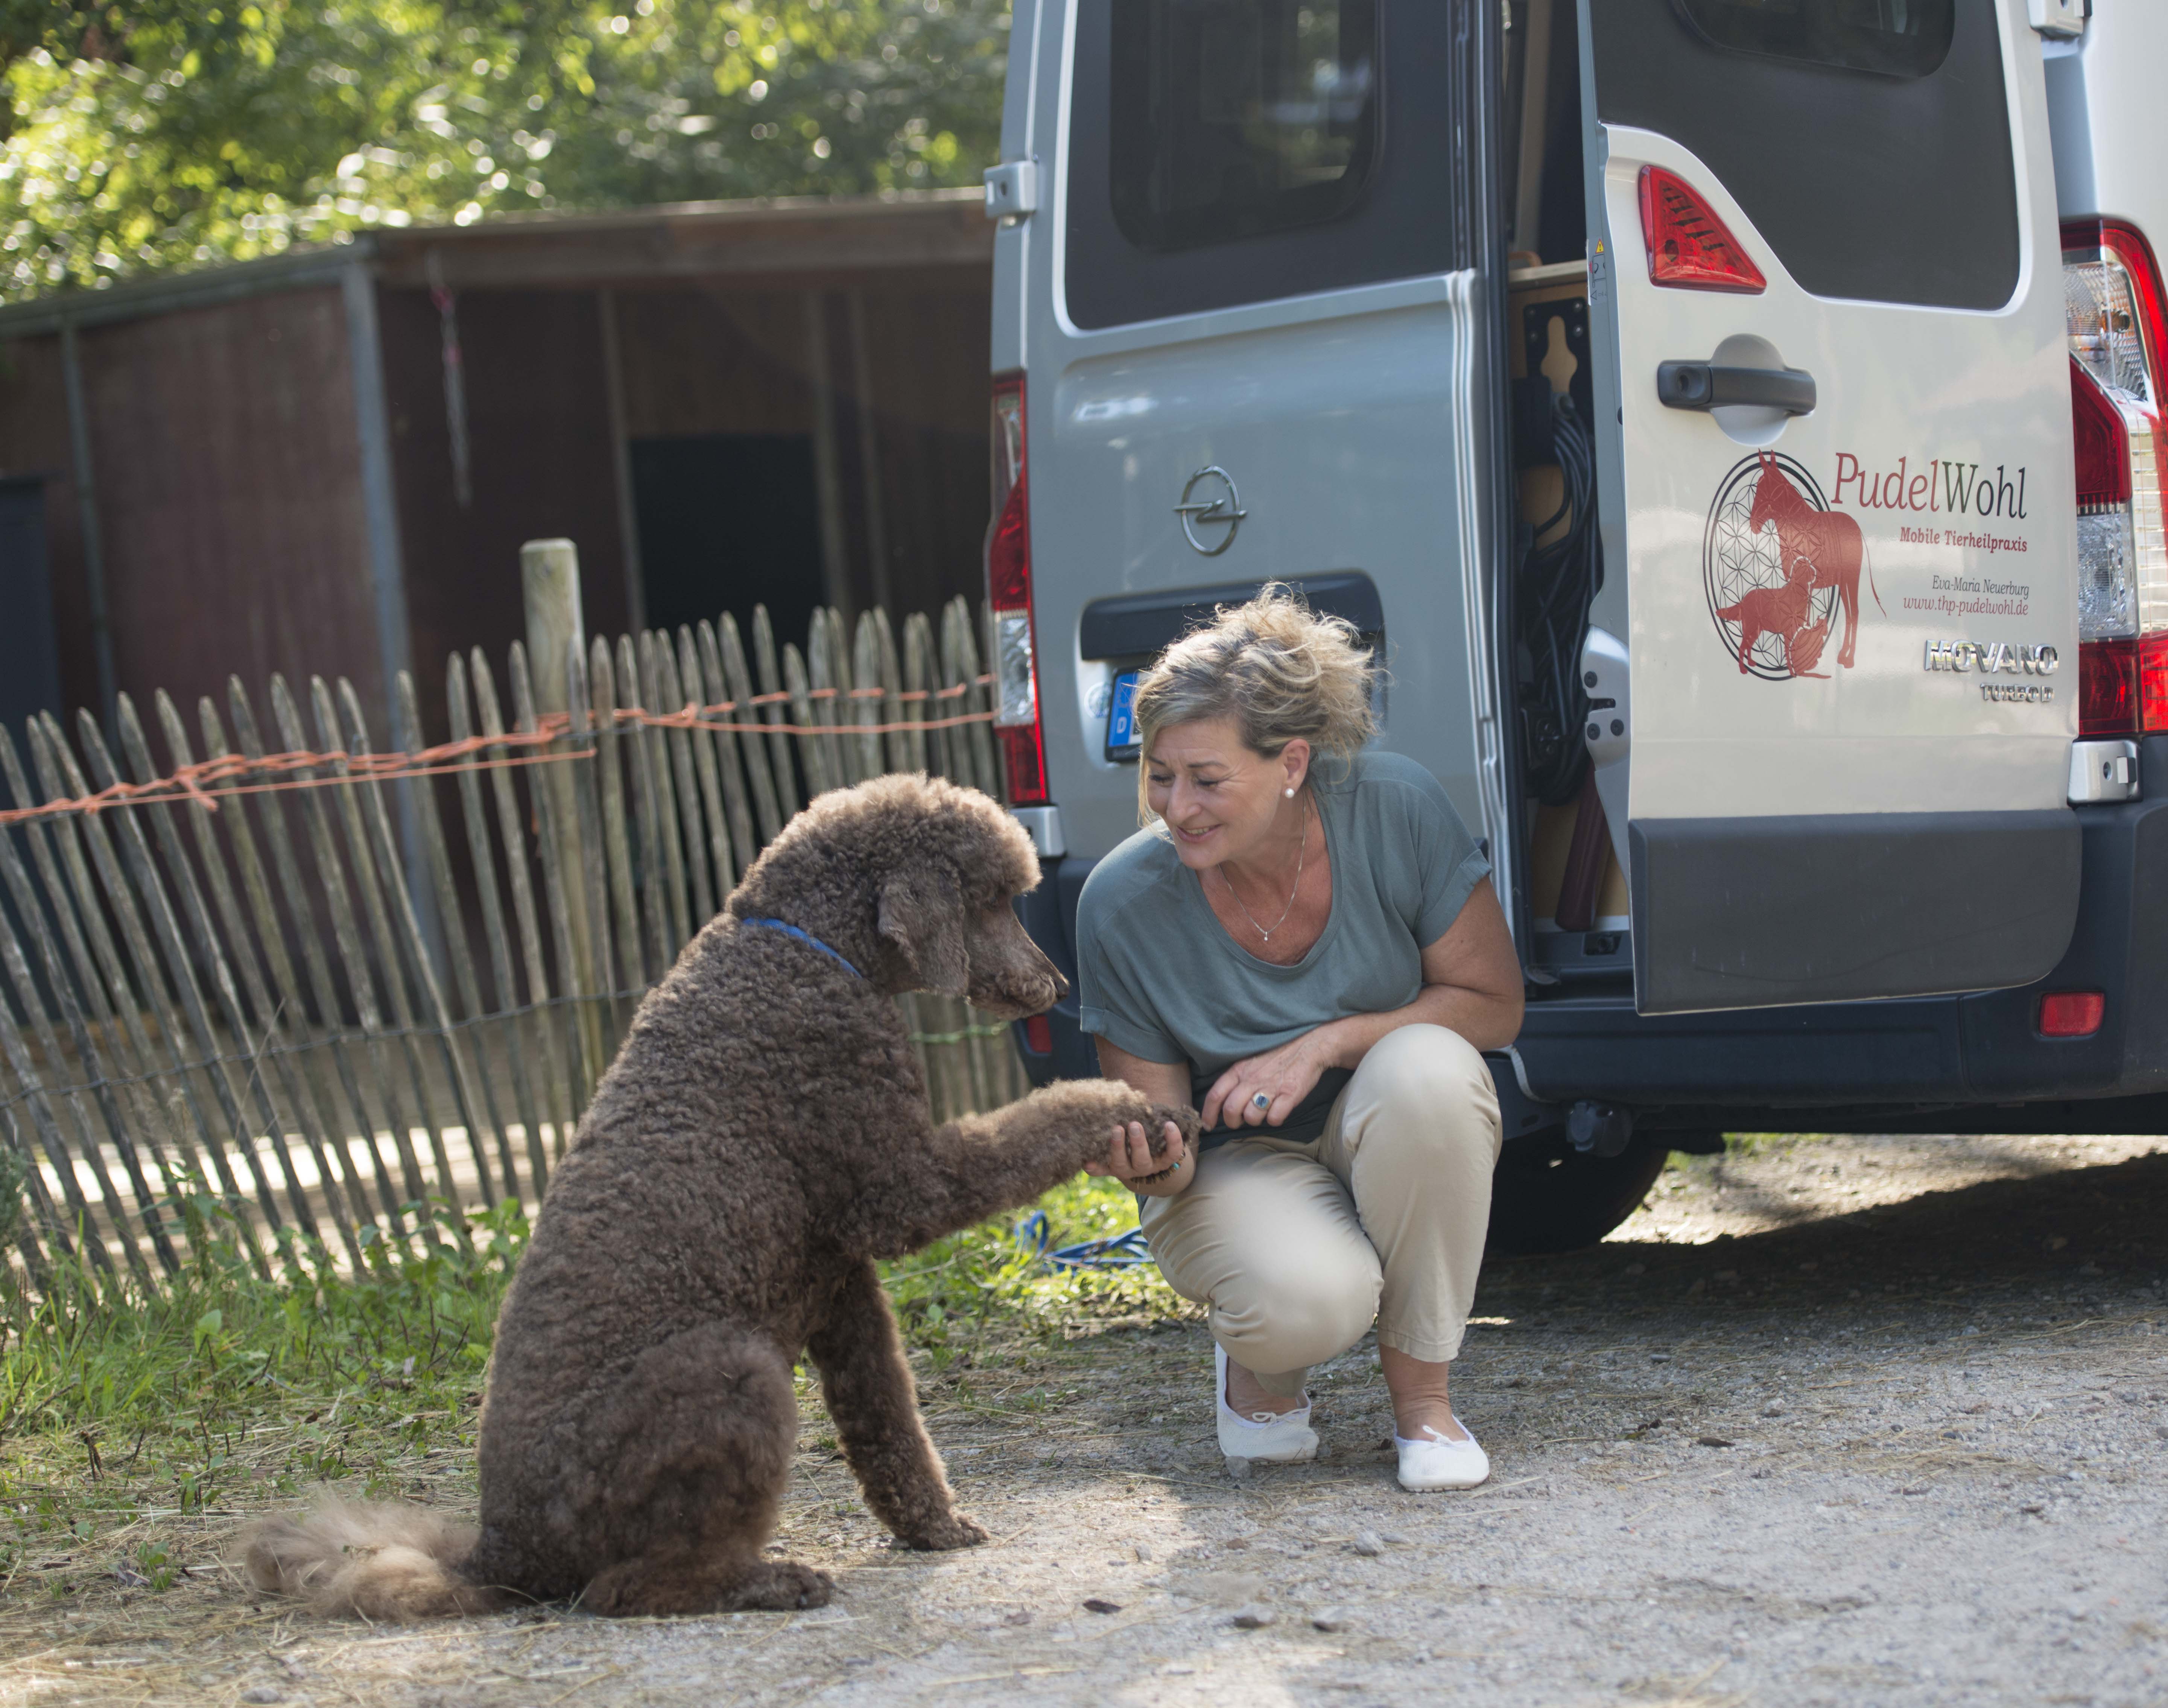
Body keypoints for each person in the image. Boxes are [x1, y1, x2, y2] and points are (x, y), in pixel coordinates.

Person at [1074, 587, 1523, 1492]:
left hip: (1381, 1110)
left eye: (1206, 778)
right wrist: (1141, 1159)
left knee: (1432, 1069)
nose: (1176, 806)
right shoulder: (1121, 901)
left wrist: (1327, 1042)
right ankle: (1260, 1372)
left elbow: (1492, 1004)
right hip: (1237, 1160)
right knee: (1311, 1301)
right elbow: (1166, 1135)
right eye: (1160, 775)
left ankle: (1424, 1409)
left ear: (1290, 763)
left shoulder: (1394, 808)